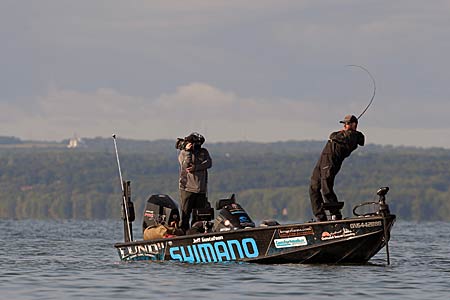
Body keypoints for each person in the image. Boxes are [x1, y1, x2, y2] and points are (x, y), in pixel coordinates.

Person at [309, 115, 365, 221]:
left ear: (354, 125)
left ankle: (335, 214)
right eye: (344, 124)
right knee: (313, 188)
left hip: (330, 163)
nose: (344, 126)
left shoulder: (352, 136)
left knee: (326, 189)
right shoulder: (348, 134)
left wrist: (342, 132)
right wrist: (343, 131)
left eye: (347, 124)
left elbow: (332, 135)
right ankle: (320, 216)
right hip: (322, 161)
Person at [177, 132, 212, 233]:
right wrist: (188, 151)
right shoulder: (183, 153)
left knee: (199, 215)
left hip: (201, 189)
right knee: (185, 214)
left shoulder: (204, 152)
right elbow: (185, 165)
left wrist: (196, 168)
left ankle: (196, 232)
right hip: (187, 188)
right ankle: (183, 233)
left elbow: (209, 163)